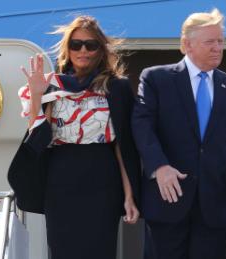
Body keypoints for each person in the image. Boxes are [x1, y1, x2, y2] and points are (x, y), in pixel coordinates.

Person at [131, 8, 226, 259]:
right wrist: (159, 167)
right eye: (210, 42)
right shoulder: (156, 78)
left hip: (215, 207)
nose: (217, 48)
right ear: (186, 45)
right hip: (168, 201)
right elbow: (142, 126)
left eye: (220, 42)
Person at [7, 15, 140, 259]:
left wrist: (129, 195)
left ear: (101, 49)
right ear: (67, 48)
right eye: (76, 44)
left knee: (100, 250)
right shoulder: (52, 85)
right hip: (61, 179)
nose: (83, 51)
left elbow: (124, 145)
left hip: (103, 179)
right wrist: (37, 95)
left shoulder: (116, 87)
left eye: (91, 45)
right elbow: (37, 138)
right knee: (62, 250)